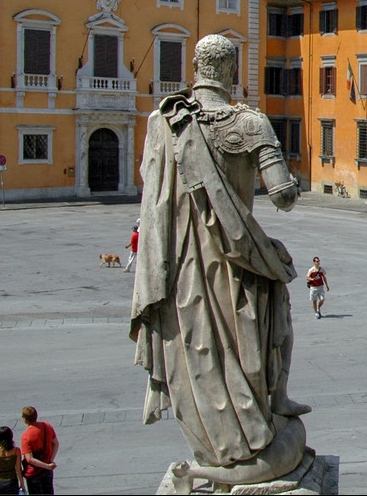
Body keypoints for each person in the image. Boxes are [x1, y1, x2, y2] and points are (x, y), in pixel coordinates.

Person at [130, 35, 308, 491]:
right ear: (231, 72)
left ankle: (214, 450)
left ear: (195, 66)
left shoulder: (162, 123)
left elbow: (151, 194)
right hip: (240, 266)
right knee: (274, 325)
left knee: (196, 351)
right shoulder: (250, 123)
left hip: (184, 268)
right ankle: (271, 411)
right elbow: (282, 196)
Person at [20, 407, 58, 495]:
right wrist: (50, 461)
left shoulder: (26, 436)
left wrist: (46, 466)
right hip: (47, 470)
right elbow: (56, 443)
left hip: (34, 473)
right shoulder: (46, 426)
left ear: (25, 420)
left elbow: (29, 459)